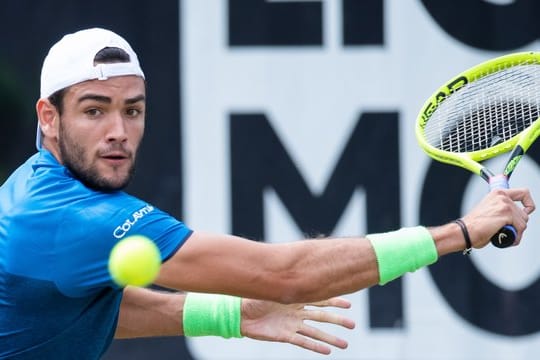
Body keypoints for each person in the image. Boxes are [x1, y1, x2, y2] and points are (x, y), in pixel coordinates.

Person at [0, 28, 534, 359]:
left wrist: (234, 315)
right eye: (95, 110)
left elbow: (78, 307)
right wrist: (460, 233)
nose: (119, 129)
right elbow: (286, 275)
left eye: (132, 109)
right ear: (49, 117)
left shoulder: (38, 191)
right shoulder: (74, 218)